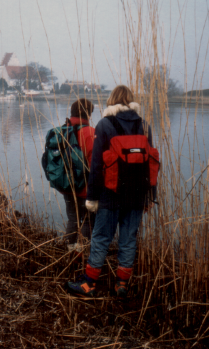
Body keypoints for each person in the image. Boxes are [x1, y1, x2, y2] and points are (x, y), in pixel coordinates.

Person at [67, 85, 155, 298]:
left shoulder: (105, 124)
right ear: (131, 101)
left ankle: (89, 284)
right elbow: (151, 163)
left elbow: (96, 165)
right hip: (137, 194)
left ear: (112, 100)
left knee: (101, 238)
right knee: (128, 239)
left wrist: (92, 198)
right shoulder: (144, 125)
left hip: (110, 193)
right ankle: (121, 285)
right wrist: (150, 195)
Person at [62, 98, 96, 252]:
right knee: (88, 221)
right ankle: (82, 252)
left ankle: (69, 249)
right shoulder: (90, 133)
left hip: (67, 185)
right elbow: (95, 164)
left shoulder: (62, 130)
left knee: (73, 218)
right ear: (88, 113)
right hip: (86, 188)